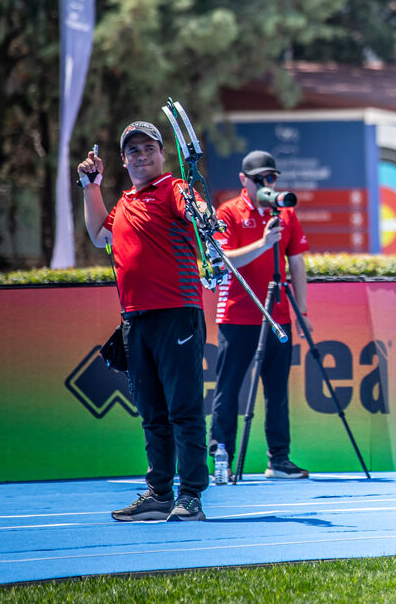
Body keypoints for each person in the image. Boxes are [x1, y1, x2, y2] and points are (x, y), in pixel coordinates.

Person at [77, 121, 209, 521]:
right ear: (124, 159)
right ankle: (159, 493)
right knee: (152, 412)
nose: (142, 155)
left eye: (148, 148)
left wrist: (203, 213)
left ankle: (190, 496)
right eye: (133, 150)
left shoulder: (174, 189)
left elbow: (195, 210)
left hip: (177, 314)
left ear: (161, 153)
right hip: (135, 319)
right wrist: (91, 186)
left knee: (183, 409)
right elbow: (101, 235)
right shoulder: (127, 202)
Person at [209, 150, 312, 479]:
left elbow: (296, 261)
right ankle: (222, 456)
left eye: (272, 178)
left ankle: (278, 459)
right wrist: (264, 244)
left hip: (278, 314)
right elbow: (225, 261)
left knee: (277, 390)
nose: (268, 184)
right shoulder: (228, 212)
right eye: (260, 180)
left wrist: (303, 310)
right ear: (244, 181)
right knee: (229, 389)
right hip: (237, 316)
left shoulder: (286, 213)